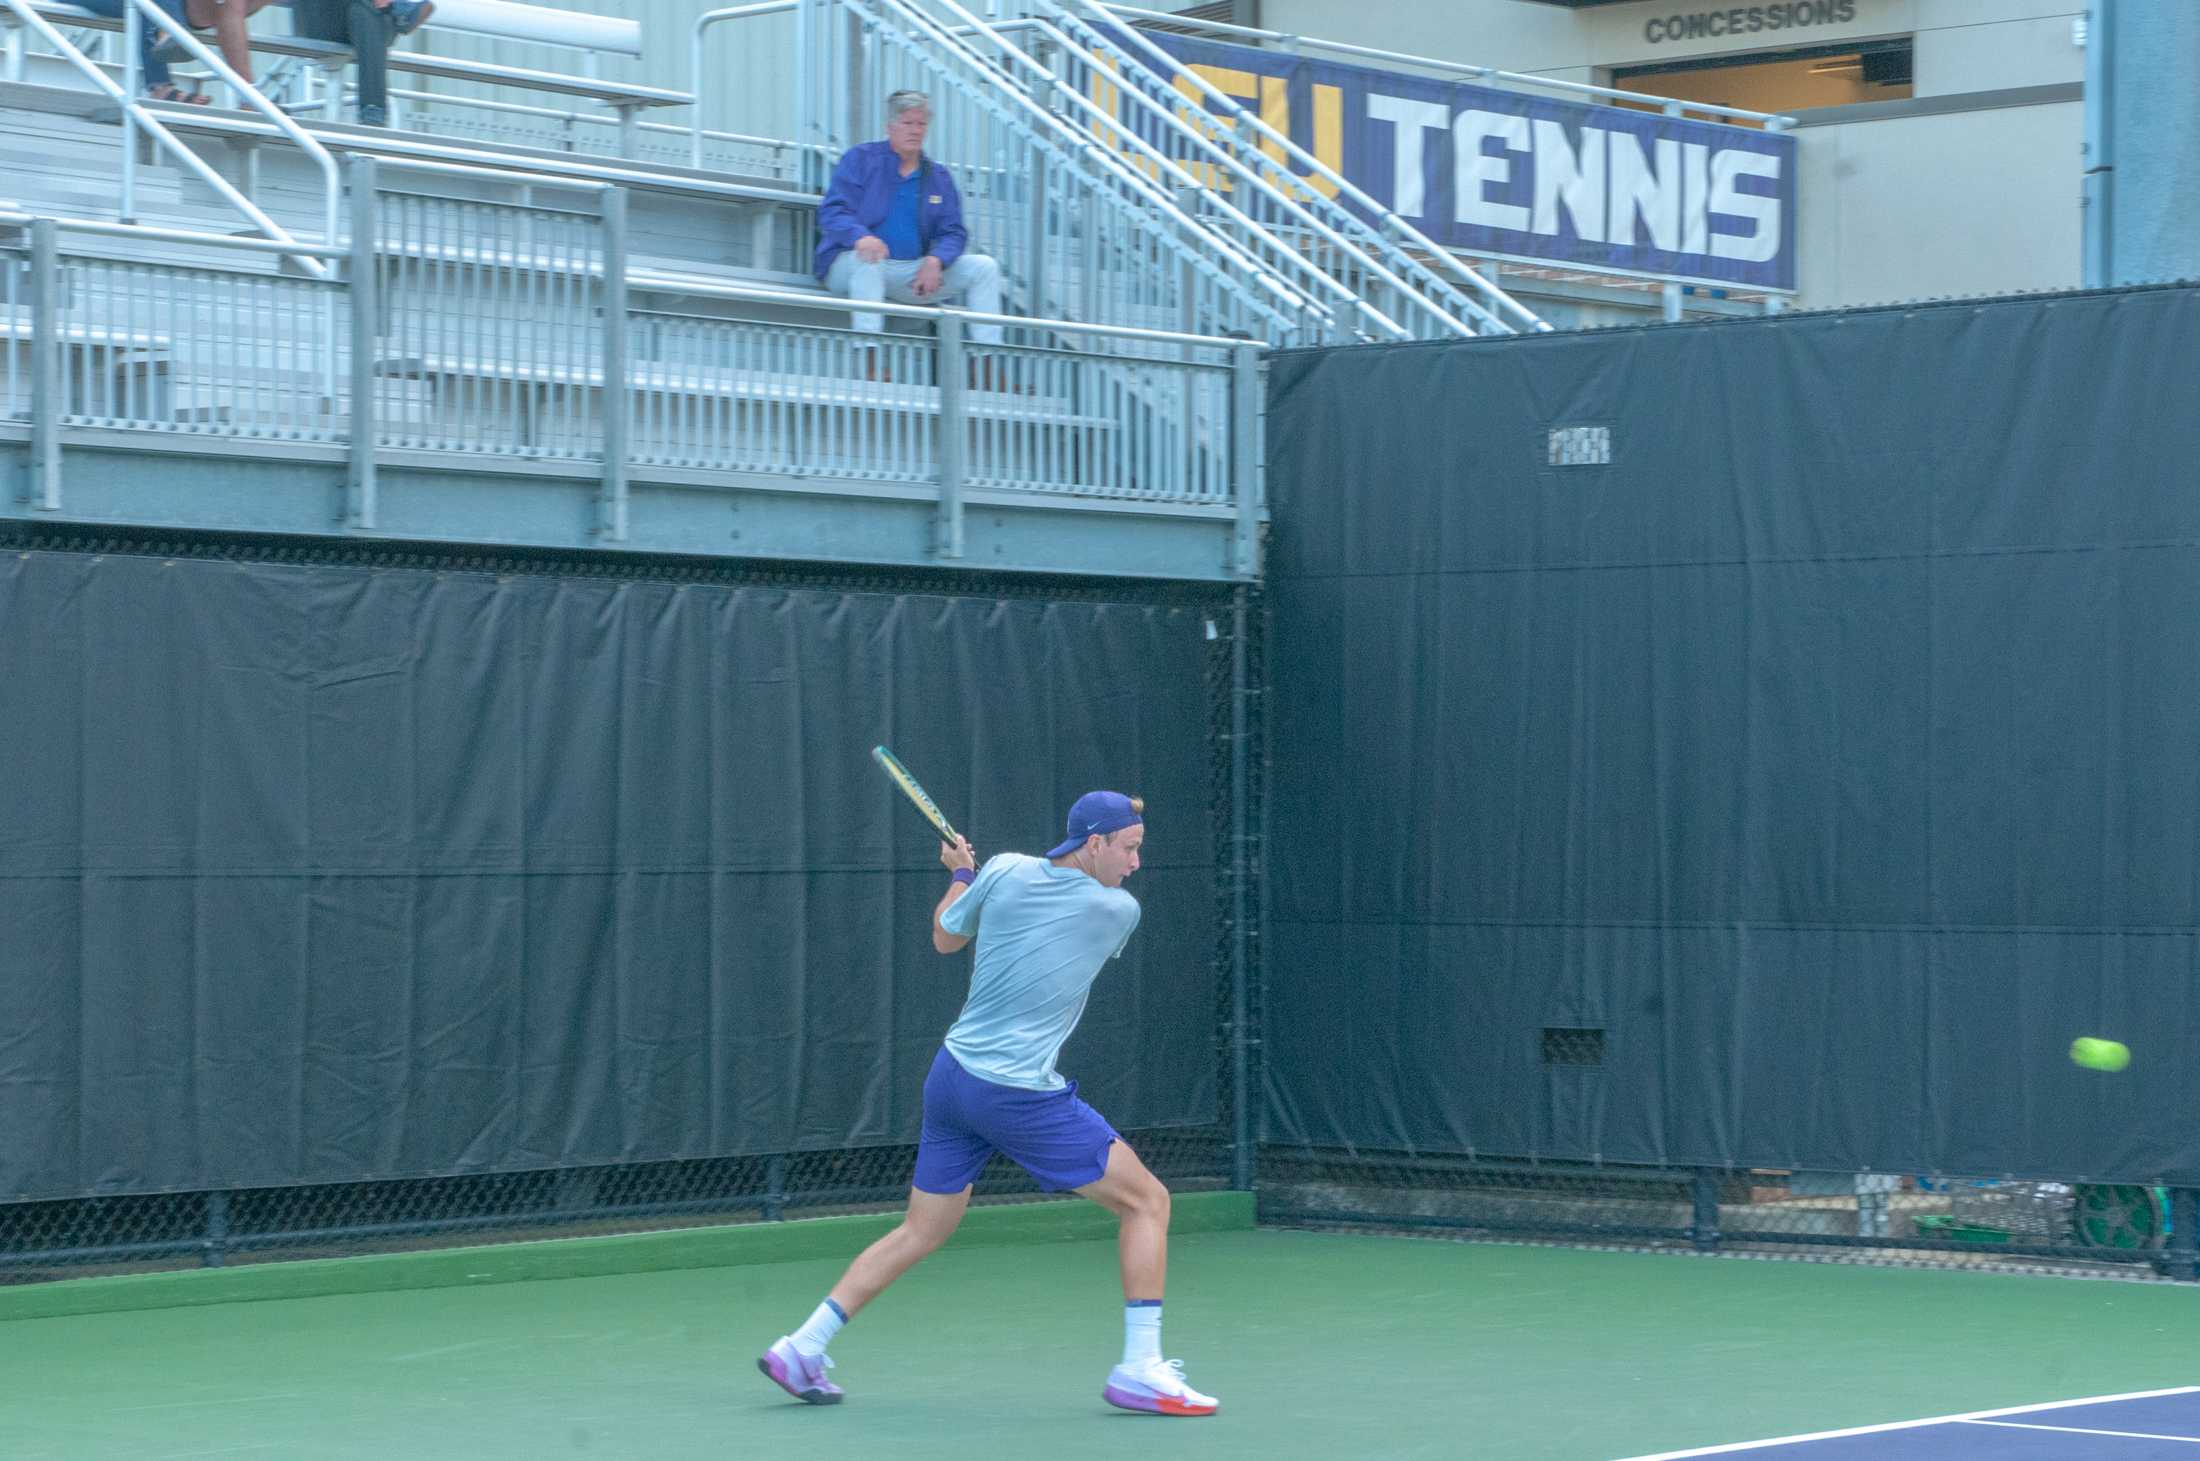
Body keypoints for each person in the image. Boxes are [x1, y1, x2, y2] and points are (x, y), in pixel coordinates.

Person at [757, 791, 1218, 1418]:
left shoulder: (1002, 869)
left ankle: (802, 1347)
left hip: (951, 1079)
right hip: (1016, 1093)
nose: (1137, 863)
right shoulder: (1115, 910)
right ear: (1095, 843)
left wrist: (963, 876)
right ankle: (1141, 1369)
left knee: (923, 1229)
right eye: (1130, 848)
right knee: (1147, 1201)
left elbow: (947, 936)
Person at [813, 90, 1007, 382]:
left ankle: (989, 370)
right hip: (849, 265)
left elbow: (953, 231)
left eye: (921, 124)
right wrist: (859, 237)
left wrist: (936, 260)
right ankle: (871, 363)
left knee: (984, 267)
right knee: (870, 260)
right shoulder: (861, 159)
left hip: (909, 272)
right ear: (890, 126)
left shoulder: (937, 176)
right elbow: (832, 212)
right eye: (908, 123)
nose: (915, 131)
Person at [290, 0, 433, 128]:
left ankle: (373, 111)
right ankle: (401, 13)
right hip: (320, 21)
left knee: (365, 11)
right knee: (371, 11)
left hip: (363, 21)